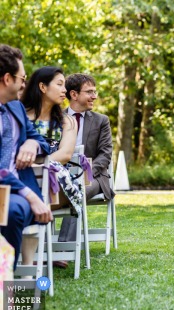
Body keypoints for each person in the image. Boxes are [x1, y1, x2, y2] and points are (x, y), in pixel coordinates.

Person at [20, 66, 80, 267]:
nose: (65, 90)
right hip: (25, 182)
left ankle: (30, 260)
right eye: (60, 84)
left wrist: (39, 165)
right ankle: (31, 259)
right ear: (43, 87)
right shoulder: (20, 117)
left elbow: (65, 154)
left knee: (30, 198)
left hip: (57, 185)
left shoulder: (67, 121)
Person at [0, 44, 52, 269]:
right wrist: (30, 195)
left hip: (18, 190)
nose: (24, 83)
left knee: (14, 209)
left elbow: (41, 141)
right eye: (21, 78)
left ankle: (7, 288)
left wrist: (31, 143)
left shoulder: (16, 108)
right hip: (14, 194)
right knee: (12, 209)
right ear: (6, 79)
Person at [56, 73, 115, 265]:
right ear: (73, 94)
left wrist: (85, 174)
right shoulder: (56, 119)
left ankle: (62, 251)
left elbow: (105, 154)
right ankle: (41, 247)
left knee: (77, 192)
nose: (94, 96)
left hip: (94, 178)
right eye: (89, 92)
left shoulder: (101, 121)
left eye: (94, 91)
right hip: (61, 175)